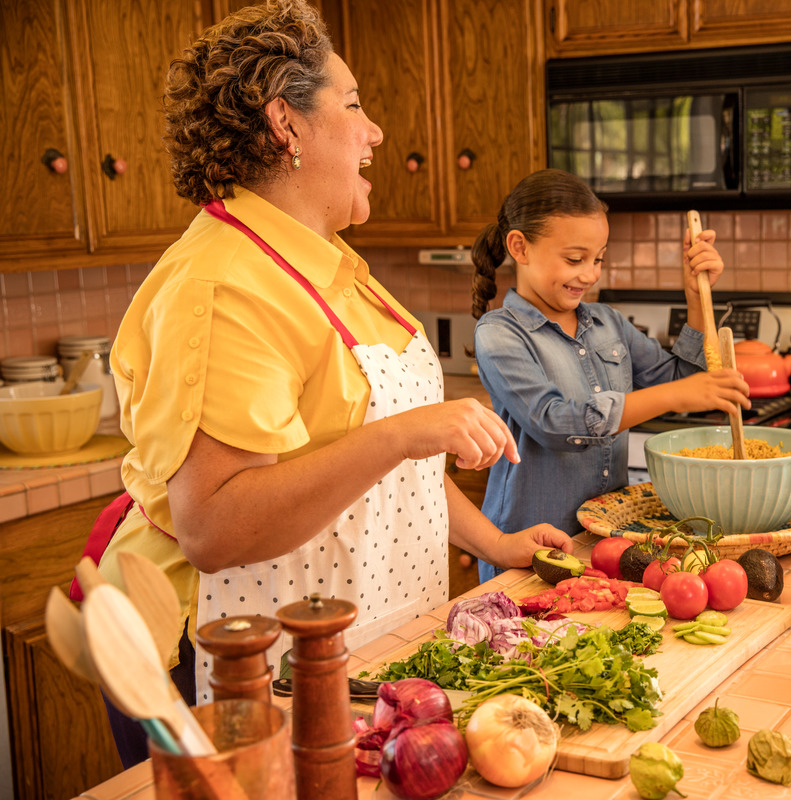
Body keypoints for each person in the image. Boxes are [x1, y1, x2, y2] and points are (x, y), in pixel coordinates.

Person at [77, 0, 573, 767]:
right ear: (287, 123)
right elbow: (214, 526)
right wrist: (408, 432)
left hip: (343, 649)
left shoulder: (333, 266)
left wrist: (496, 541)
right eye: (353, 104)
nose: (374, 131)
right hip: (227, 664)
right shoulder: (224, 284)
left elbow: (378, 474)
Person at [469, 169, 751, 582]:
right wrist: (678, 395)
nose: (590, 273)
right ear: (520, 247)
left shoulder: (607, 323)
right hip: (529, 551)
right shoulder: (499, 332)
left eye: (598, 258)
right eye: (574, 259)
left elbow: (679, 376)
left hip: (604, 541)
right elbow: (555, 422)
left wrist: (694, 298)